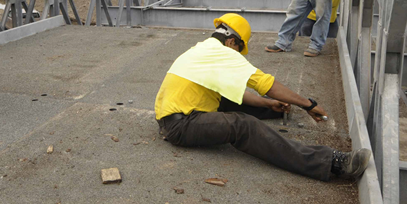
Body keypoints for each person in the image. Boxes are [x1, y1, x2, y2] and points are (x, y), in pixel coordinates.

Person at [156, 13, 371, 181]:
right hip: (181, 125)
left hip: (172, 116)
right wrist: (308, 104)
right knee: (243, 126)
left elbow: (234, 95)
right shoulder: (224, 53)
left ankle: (273, 111)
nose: (238, 54)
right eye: (240, 49)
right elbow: (266, 84)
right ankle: (331, 163)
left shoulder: (202, 49)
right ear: (232, 42)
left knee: (228, 100)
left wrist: (269, 104)